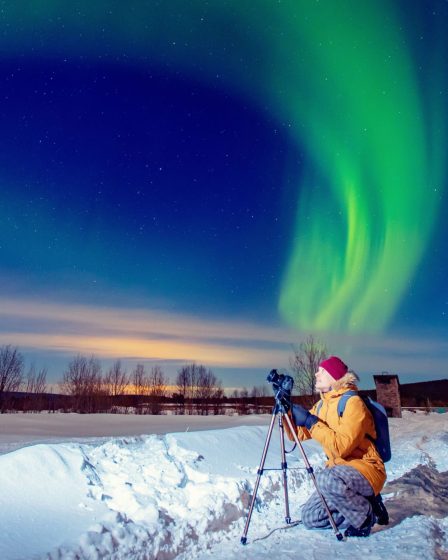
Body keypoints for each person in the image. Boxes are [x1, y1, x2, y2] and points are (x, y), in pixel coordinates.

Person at [285, 356, 386, 537]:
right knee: (310, 517)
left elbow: (341, 447)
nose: (316, 373)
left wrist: (310, 421)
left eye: (322, 370)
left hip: (366, 469)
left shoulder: (353, 403)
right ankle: (365, 503)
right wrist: (286, 411)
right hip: (339, 475)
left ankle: (365, 517)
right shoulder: (322, 405)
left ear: (335, 376)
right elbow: (297, 435)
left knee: (325, 479)